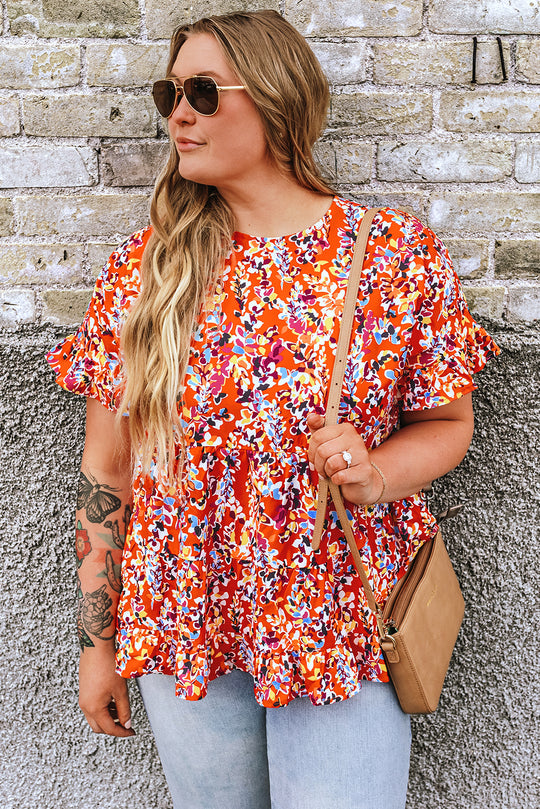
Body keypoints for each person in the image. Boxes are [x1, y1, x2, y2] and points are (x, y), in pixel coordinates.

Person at [47, 9, 499, 809]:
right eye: (169, 92)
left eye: (202, 93)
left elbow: (447, 424)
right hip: (187, 611)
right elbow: (107, 466)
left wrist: (375, 472)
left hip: (334, 613)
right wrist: (97, 644)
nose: (177, 114)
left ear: (278, 100)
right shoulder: (147, 267)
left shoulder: (391, 257)